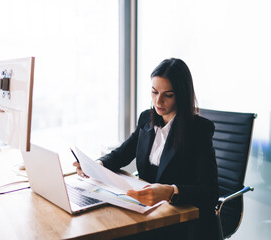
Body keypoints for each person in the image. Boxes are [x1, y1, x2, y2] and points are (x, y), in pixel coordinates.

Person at [73, 58, 218, 239]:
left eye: (168, 95)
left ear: (181, 95)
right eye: (154, 92)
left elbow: (210, 192)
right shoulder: (146, 119)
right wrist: (96, 165)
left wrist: (171, 191)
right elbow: (122, 154)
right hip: (145, 212)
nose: (158, 101)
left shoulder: (199, 130)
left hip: (178, 219)